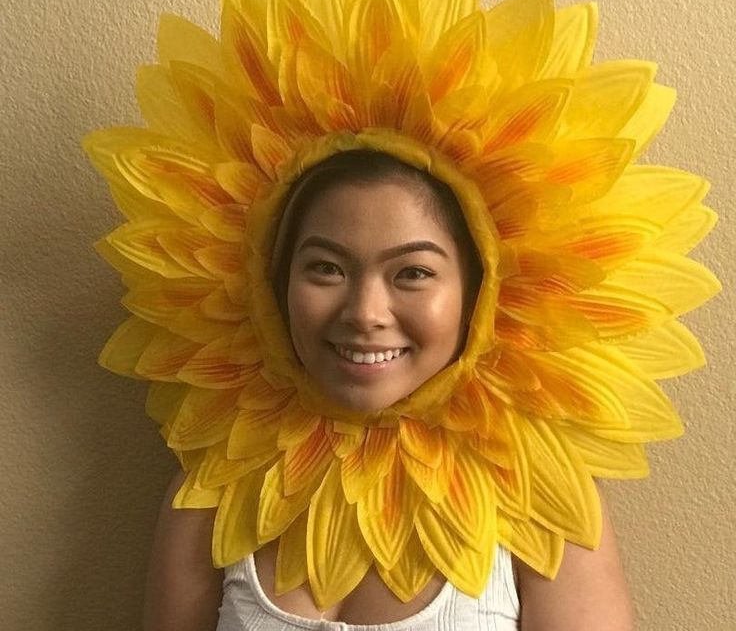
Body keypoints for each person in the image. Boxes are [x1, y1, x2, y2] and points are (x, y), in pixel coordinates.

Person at [143, 150, 634, 631]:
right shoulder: (213, 486)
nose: (365, 312)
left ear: (478, 289)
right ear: (276, 282)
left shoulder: (540, 491)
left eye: (413, 273)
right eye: (327, 268)